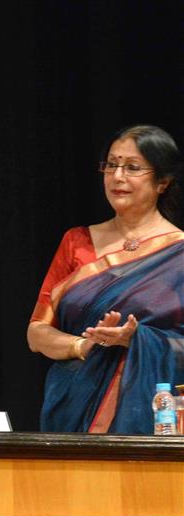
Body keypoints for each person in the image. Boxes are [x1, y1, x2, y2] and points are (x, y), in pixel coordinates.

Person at [28, 124, 184, 434]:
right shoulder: (76, 242)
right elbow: (36, 333)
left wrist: (136, 340)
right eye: (111, 164)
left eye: (132, 167)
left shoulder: (179, 254)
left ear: (162, 182)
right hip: (72, 406)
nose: (117, 176)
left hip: (152, 414)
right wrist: (84, 346)